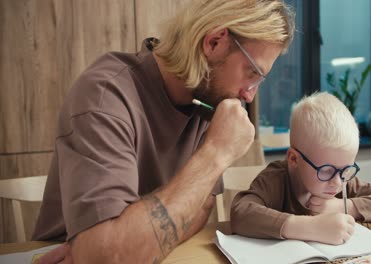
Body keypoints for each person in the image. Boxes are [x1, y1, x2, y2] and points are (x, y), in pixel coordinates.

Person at [33, 1, 295, 263]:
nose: (250, 95)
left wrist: (134, 243)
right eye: (252, 73)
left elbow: (202, 207)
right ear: (215, 42)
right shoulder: (105, 95)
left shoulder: (207, 101)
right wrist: (215, 153)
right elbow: (104, 257)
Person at [230, 92, 371, 245]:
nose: (338, 182)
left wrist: (345, 206)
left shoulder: (341, 182)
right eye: (326, 170)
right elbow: (240, 212)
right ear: (294, 159)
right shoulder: (276, 179)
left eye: (346, 170)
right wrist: (310, 227)